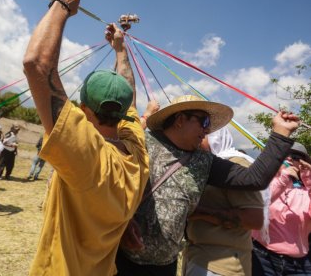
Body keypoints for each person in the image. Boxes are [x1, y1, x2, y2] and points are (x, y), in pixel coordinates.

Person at [22, 0, 150, 275]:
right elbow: (130, 96)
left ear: (83, 109)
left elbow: (37, 65)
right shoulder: (137, 149)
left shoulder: (86, 154)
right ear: (123, 112)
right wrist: (120, 48)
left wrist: (62, 5)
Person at [116, 94, 299, 276]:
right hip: (122, 260)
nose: (207, 130)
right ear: (180, 120)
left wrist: (281, 134)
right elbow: (110, 186)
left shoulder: (204, 162)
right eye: (203, 122)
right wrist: (123, 223)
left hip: (165, 266)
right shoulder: (144, 144)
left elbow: (254, 179)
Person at [185, 127, 264, 276]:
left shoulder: (236, 165)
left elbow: (254, 219)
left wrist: (199, 212)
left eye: (203, 135)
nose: (197, 138)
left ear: (215, 137)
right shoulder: (206, 165)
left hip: (223, 264)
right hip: (200, 257)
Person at [251, 142, 311, 275]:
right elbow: (259, 203)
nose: (289, 158)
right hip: (263, 257)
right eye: (285, 155)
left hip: (298, 265)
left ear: (301, 165)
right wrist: (284, 179)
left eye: (295, 157)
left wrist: (309, 180)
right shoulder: (263, 184)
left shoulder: (305, 192)